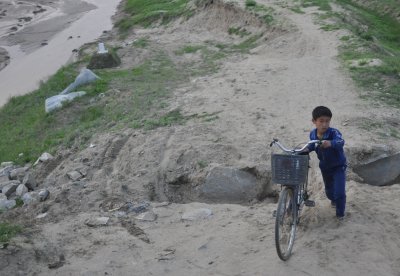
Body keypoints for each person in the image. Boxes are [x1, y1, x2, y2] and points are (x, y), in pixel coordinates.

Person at [305, 106, 347, 221]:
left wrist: (331, 143)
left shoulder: (334, 133)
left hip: (338, 166)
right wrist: (306, 150)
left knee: (340, 192)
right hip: (325, 167)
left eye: (327, 121)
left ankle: (340, 214)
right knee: (329, 192)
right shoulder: (313, 134)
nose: (324, 124)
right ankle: (334, 200)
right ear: (314, 121)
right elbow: (312, 145)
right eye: (321, 121)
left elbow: (340, 141)